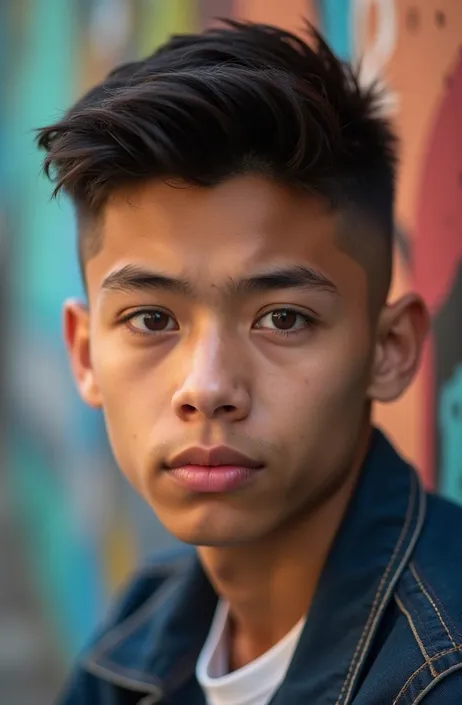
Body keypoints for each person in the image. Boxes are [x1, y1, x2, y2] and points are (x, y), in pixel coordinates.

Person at [36, 19, 462, 705]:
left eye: (283, 319)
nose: (207, 388)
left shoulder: (441, 670)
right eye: (152, 319)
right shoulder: (142, 630)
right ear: (85, 355)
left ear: (390, 350)